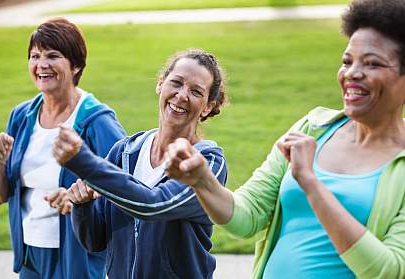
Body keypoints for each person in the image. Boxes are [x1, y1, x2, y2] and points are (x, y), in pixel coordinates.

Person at [164, 0, 405, 278]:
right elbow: (248, 216)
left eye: (372, 63)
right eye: (347, 61)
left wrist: (312, 185)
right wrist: (201, 179)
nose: (352, 74)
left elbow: (389, 270)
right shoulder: (313, 127)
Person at [52, 49, 228, 279]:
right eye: (176, 83)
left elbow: (154, 206)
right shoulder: (124, 152)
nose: (182, 95)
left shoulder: (207, 163)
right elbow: (94, 241)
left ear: (207, 106)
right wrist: (82, 206)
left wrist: (85, 163)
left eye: (196, 92)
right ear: (160, 84)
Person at [0, 18, 126, 278]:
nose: (42, 65)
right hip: (30, 256)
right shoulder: (21, 116)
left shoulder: (97, 121)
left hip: (78, 258)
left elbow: (125, 190)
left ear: (76, 66)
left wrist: (78, 198)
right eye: (35, 56)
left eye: (53, 55)